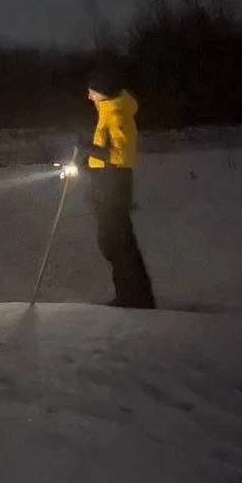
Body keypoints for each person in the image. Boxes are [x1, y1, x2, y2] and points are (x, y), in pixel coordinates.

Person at [82, 69, 155, 309]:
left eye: (92, 91)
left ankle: (136, 297)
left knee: (118, 243)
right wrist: (89, 162)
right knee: (111, 243)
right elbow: (106, 149)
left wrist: (90, 150)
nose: (88, 96)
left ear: (103, 91)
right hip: (106, 182)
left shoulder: (118, 114)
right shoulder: (107, 111)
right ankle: (129, 294)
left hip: (115, 185)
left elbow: (120, 155)